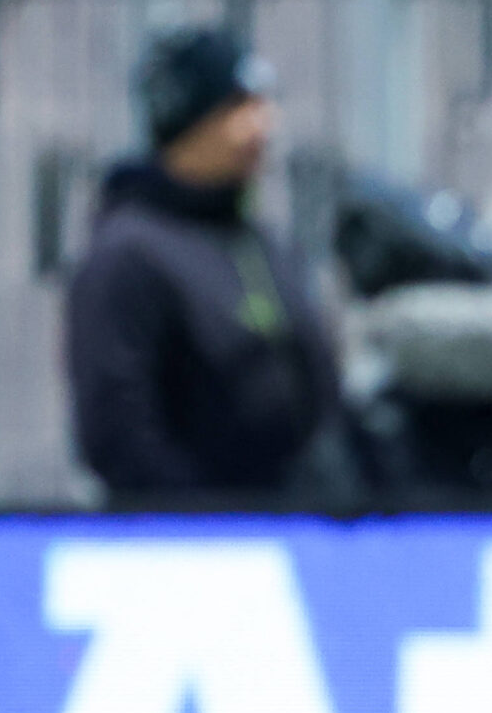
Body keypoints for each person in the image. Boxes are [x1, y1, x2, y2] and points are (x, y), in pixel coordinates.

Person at [66, 25, 340, 503]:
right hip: (191, 543)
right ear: (189, 120)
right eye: (238, 108)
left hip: (286, 526)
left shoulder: (257, 242)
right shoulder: (129, 254)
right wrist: (197, 520)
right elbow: (118, 428)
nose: (261, 127)